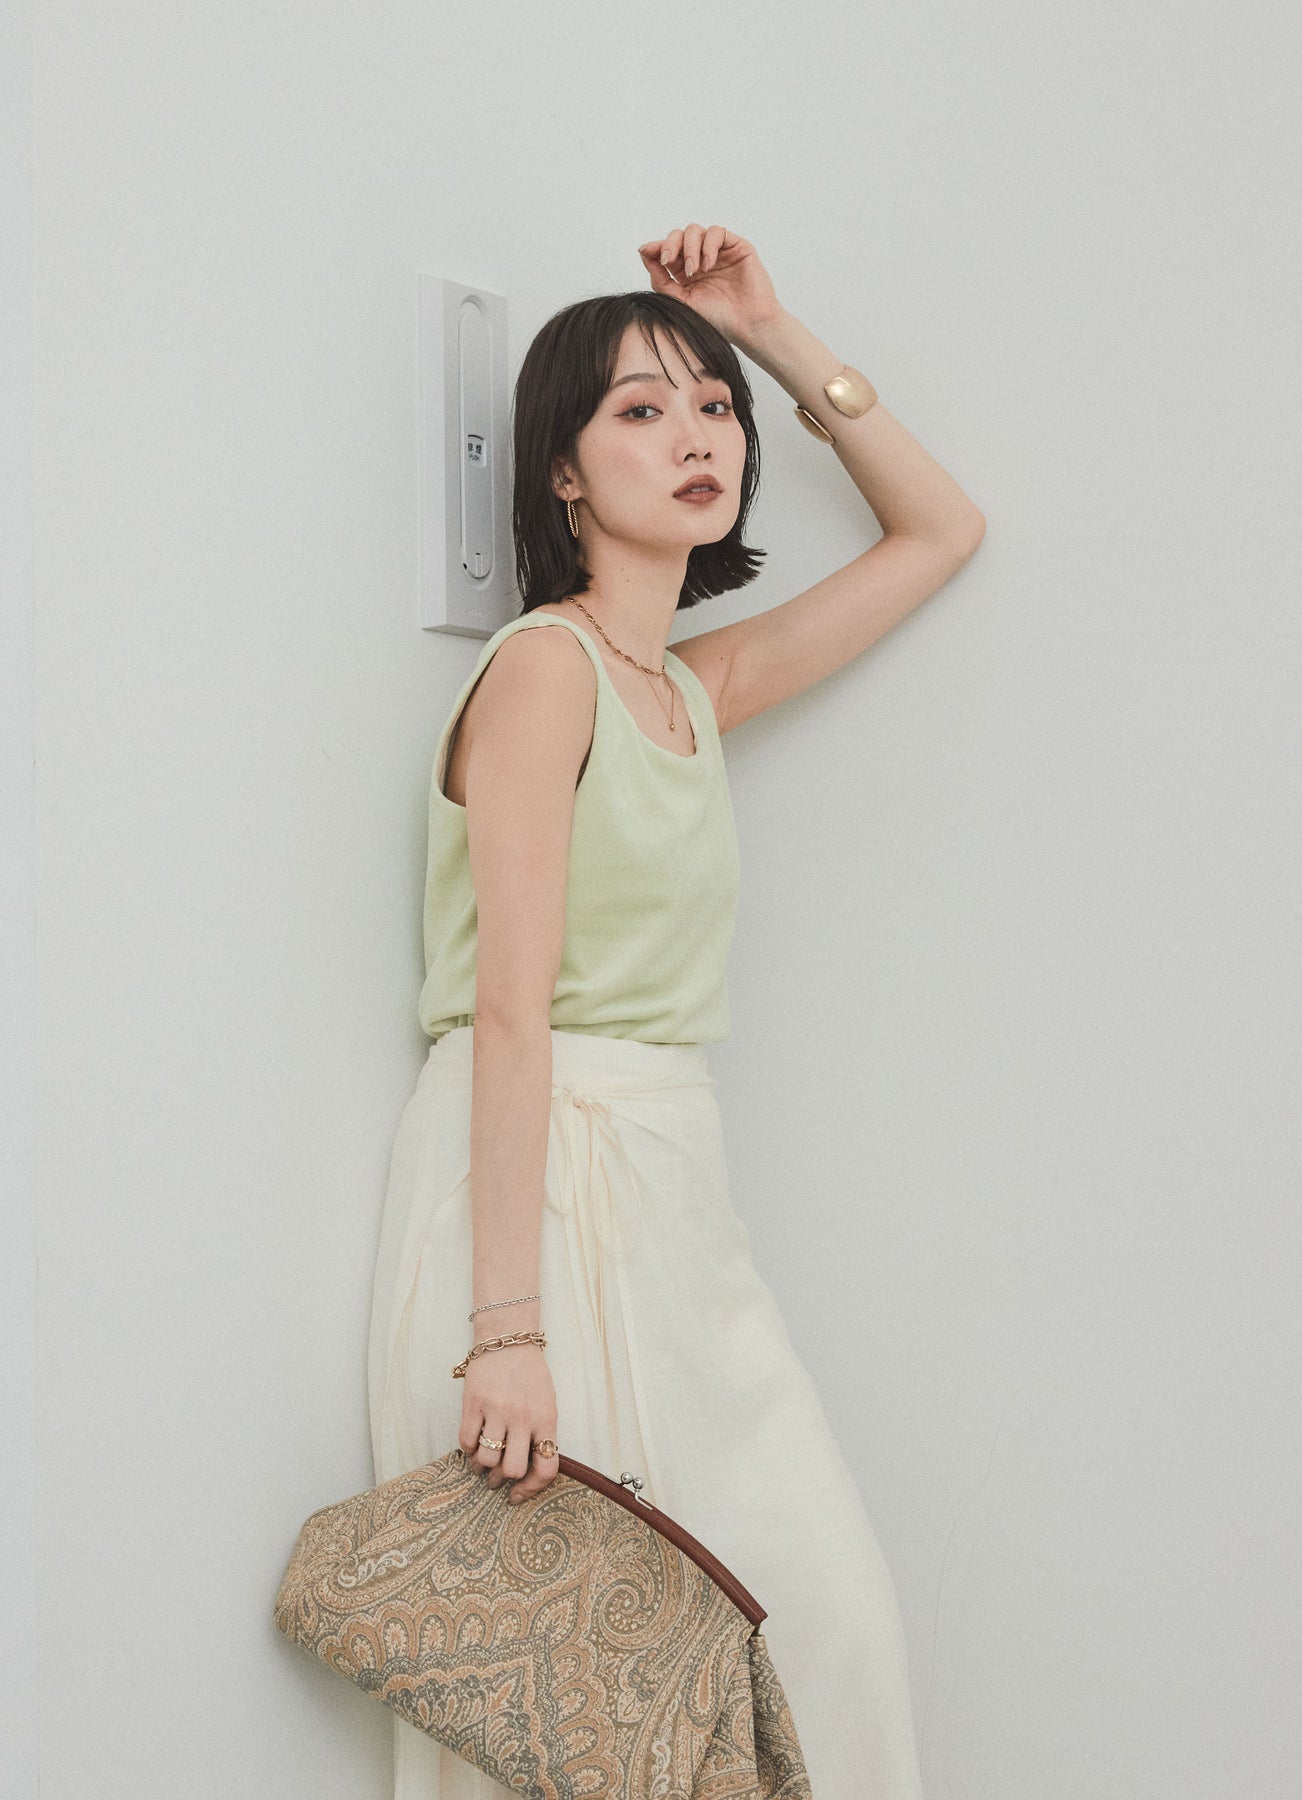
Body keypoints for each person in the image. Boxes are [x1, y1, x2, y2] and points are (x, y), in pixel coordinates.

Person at [367, 222, 985, 1800]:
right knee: (575, 1715)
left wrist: (769, 330)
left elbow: (938, 531)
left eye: (711, 408)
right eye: (638, 411)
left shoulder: (689, 691)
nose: (695, 434)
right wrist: (504, 1336)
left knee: (819, 1631)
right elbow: (510, 1014)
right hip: (533, 1190)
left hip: (665, 1184)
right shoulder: (545, 671)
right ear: (562, 474)